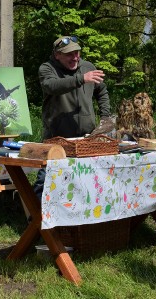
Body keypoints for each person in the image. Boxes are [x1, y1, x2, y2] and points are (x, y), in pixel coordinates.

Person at [33, 35, 111, 198]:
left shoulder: (88, 67)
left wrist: (106, 117)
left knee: (85, 180)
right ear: (57, 55)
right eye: (69, 54)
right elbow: (52, 86)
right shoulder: (47, 69)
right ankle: (37, 218)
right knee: (46, 179)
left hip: (86, 138)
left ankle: (78, 218)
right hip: (57, 138)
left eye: (77, 53)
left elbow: (101, 91)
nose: (75, 57)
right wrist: (81, 79)